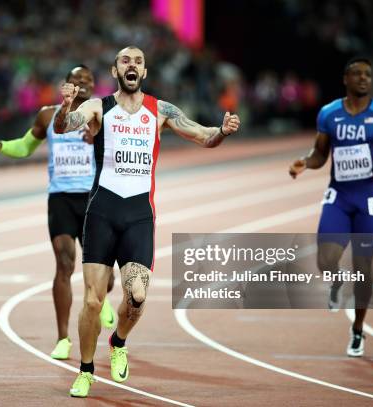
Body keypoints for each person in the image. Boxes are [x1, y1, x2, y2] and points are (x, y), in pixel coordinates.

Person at [54, 46, 240, 397]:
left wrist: (223, 130)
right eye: (126, 60)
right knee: (93, 301)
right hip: (102, 212)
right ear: (115, 70)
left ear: (144, 72)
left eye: (138, 61)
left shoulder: (160, 111)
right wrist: (64, 107)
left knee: (137, 297)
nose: (132, 65)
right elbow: (65, 126)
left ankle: (119, 341)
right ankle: (86, 370)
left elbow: (203, 136)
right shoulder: (98, 107)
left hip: (139, 215)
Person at [0, 65, 116, 361]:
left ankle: (103, 298)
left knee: (105, 276)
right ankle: (62, 338)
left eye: (88, 79)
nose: (83, 82)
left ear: (95, 85)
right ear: (66, 84)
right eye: (77, 78)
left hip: (93, 197)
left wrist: (97, 138)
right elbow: (25, 145)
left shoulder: (102, 115)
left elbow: (117, 150)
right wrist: (2, 146)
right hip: (60, 198)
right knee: (64, 263)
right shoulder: (48, 115)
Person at [289, 57, 373, 357]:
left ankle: (357, 329)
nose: (363, 78)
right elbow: (320, 153)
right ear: (345, 79)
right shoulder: (329, 113)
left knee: (364, 269)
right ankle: (335, 279)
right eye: (357, 74)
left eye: (368, 75)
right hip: (339, 196)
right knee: (325, 259)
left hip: (367, 199)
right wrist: (305, 163)